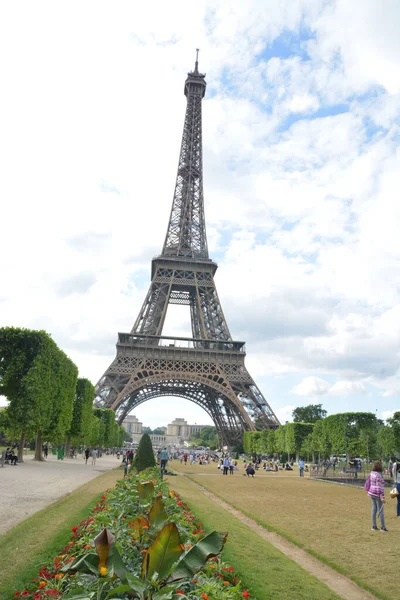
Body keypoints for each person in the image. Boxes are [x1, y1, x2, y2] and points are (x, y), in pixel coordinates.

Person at [365, 460, 387, 531]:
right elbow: (379, 488)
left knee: (374, 509)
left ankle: (374, 526)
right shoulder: (378, 475)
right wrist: (382, 497)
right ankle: (383, 527)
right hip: (377, 494)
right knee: (380, 510)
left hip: (371, 493)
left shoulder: (372, 473)